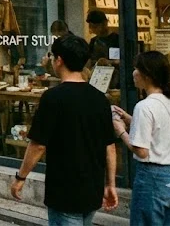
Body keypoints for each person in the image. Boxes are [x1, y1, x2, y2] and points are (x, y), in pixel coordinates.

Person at [10, 34, 118, 225]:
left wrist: (21, 177)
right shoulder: (99, 98)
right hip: (92, 190)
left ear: (59, 60)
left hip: (65, 192)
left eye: (52, 57)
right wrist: (110, 184)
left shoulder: (52, 98)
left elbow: (38, 146)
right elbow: (109, 146)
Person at [112, 51, 170, 226]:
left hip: (153, 177)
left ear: (146, 75)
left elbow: (141, 151)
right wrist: (131, 119)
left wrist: (121, 130)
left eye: (136, 69)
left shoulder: (144, 106)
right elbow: (161, 129)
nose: (133, 73)